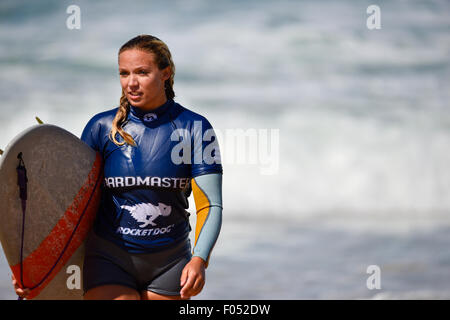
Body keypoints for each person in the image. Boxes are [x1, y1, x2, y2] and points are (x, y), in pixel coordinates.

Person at [13, 34, 223, 300]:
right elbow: (71, 206)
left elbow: (209, 204)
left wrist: (199, 260)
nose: (131, 83)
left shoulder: (194, 128)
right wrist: (34, 266)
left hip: (170, 262)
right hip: (107, 257)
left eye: (142, 72)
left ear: (165, 74)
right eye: (124, 73)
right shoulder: (101, 128)